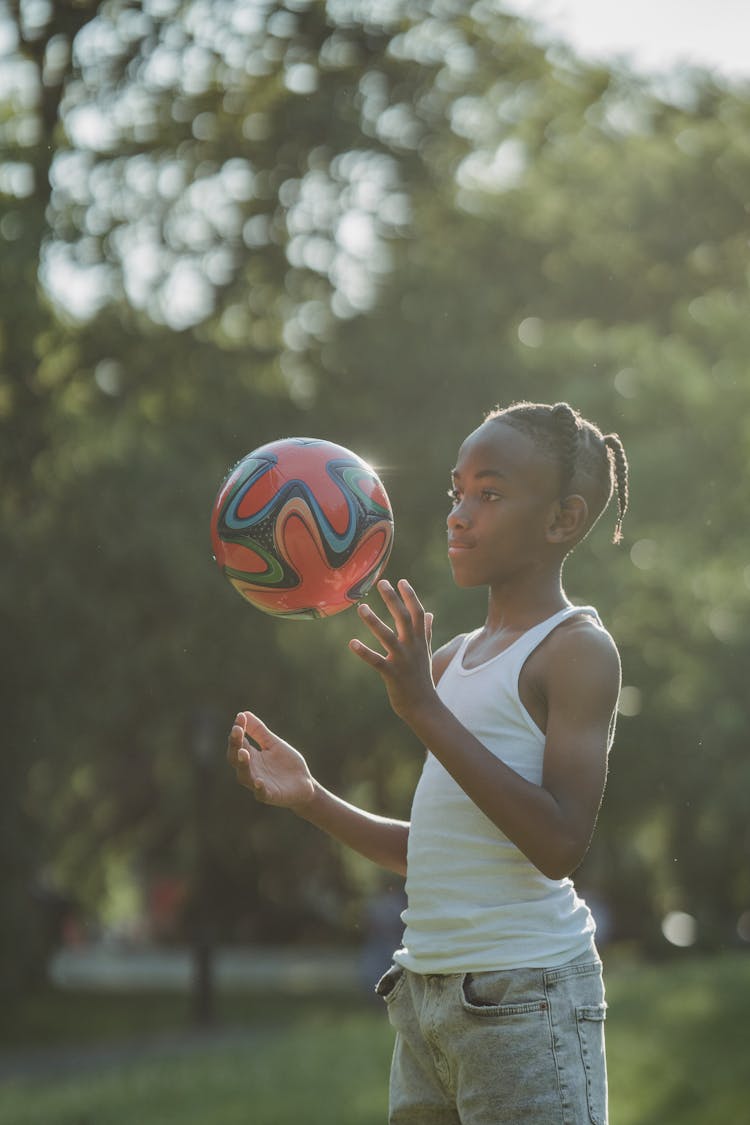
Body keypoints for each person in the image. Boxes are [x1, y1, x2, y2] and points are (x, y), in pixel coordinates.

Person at [227, 400, 628, 1124]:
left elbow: (559, 843)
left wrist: (423, 708)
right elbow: (439, 852)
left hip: (525, 996)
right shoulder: (449, 660)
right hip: (424, 994)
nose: (458, 513)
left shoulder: (577, 650)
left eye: (490, 492)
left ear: (562, 520)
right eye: (456, 490)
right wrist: (312, 795)